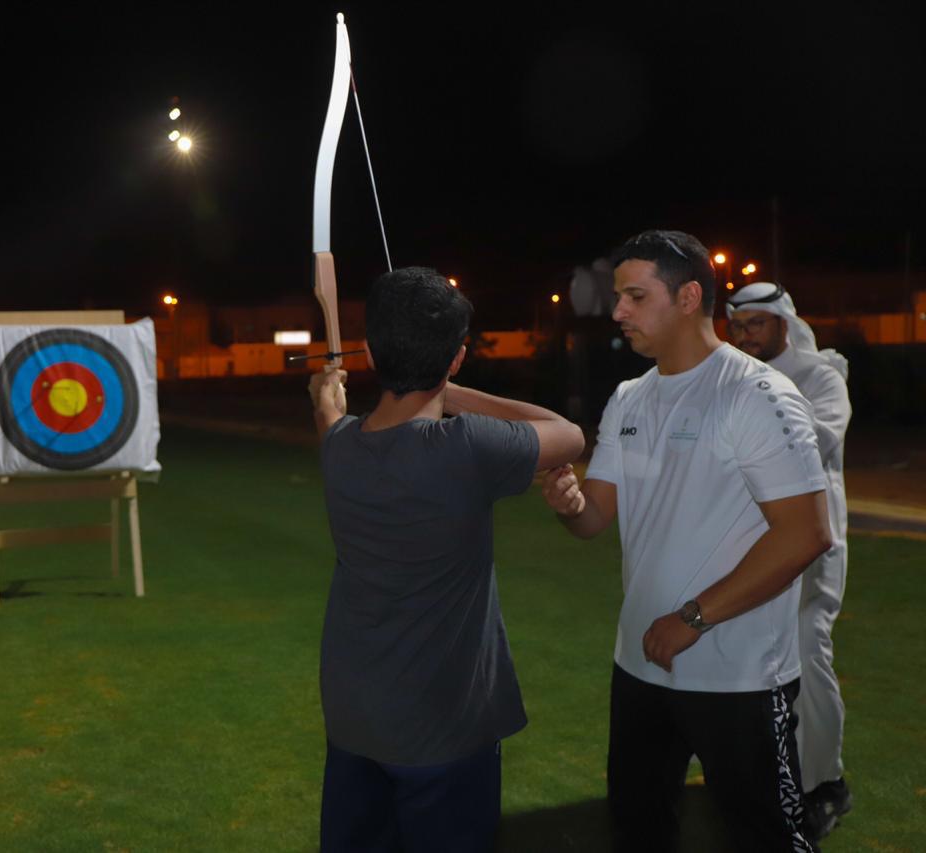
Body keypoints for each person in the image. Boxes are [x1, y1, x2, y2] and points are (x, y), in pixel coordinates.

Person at [541, 230, 832, 851]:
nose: (617, 311)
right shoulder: (629, 397)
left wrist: (693, 618)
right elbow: (596, 518)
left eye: (635, 296)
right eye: (619, 296)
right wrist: (570, 504)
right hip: (640, 666)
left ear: (689, 296)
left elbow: (805, 534)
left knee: (765, 837)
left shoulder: (756, 395)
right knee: (640, 829)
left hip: (739, 678)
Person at [309, 266, 584, 852]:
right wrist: (447, 387)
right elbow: (567, 433)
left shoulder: (338, 448)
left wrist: (329, 397)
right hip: (444, 730)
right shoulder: (466, 448)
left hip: (354, 716)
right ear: (457, 358)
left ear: (372, 353)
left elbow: (332, 418)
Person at [727, 281, 853, 842]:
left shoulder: (821, 377)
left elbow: (816, 442)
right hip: (755, 546)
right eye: (739, 325)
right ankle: (776, 771)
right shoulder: (738, 378)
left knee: (809, 651)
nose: (747, 335)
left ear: (783, 322)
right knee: (756, 660)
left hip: (814, 548)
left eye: (757, 323)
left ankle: (826, 784)